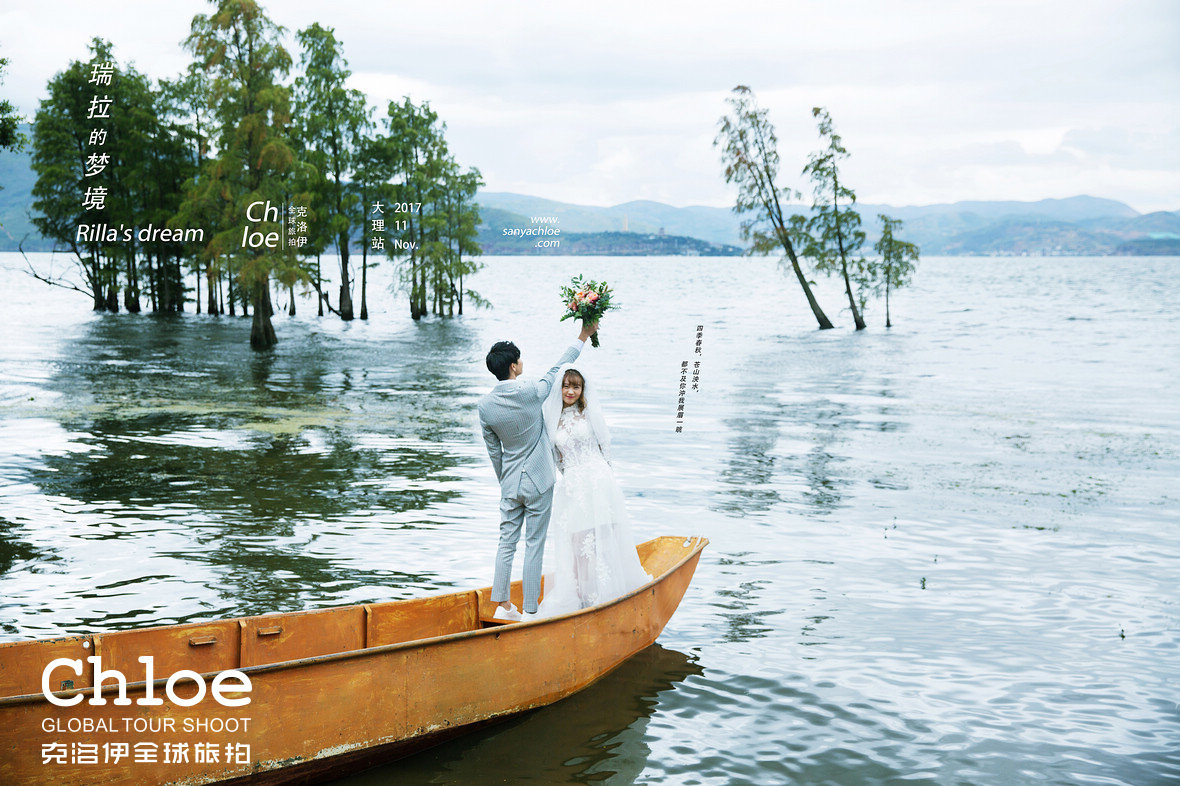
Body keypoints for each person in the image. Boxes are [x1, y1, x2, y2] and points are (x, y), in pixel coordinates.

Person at [478, 321, 598, 621]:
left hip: (509, 483)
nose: (522, 363)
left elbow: (495, 452)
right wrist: (583, 336)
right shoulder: (532, 391)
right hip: (539, 481)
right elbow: (562, 365)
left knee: (506, 542)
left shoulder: (485, 406)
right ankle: (530, 611)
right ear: (514, 366)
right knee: (533, 544)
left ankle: (503, 607)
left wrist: (505, 481)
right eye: (520, 360)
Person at [537, 366, 651, 618]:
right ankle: (581, 596)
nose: (570, 391)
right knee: (578, 542)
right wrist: (569, 476)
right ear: (560, 388)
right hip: (573, 484)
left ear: (582, 390)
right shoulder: (551, 418)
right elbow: (555, 457)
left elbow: (605, 445)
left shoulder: (589, 414)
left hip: (597, 481)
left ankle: (605, 594)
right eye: (566, 386)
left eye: (575, 386)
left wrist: (606, 479)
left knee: (599, 536)